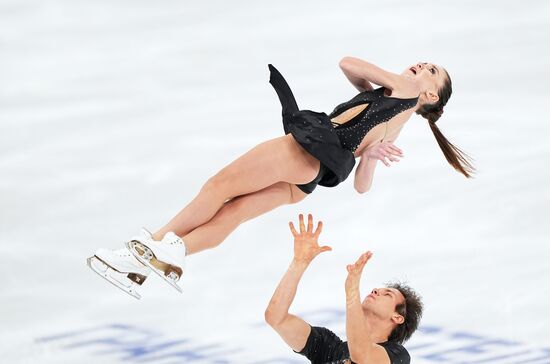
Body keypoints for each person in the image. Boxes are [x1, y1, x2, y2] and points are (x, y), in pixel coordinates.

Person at [87, 58, 473, 297]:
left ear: (431, 96)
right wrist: (369, 154)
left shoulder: (403, 88)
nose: (421, 66)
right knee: (234, 213)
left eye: (431, 71)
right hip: (310, 178)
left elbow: (348, 62)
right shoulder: (397, 126)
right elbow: (361, 186)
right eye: (423, 63)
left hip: (306, 150)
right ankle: (164, 259)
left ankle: (148, 247)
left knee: (218, 187)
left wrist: (380, 84)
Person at [265, 214, 423, 364]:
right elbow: (276, 317)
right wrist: (299, 263)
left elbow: (362, 356)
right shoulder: (329, 347)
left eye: (387, 294)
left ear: (398, 317)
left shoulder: (397, 355)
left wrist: (352, 293)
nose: (376, 290)